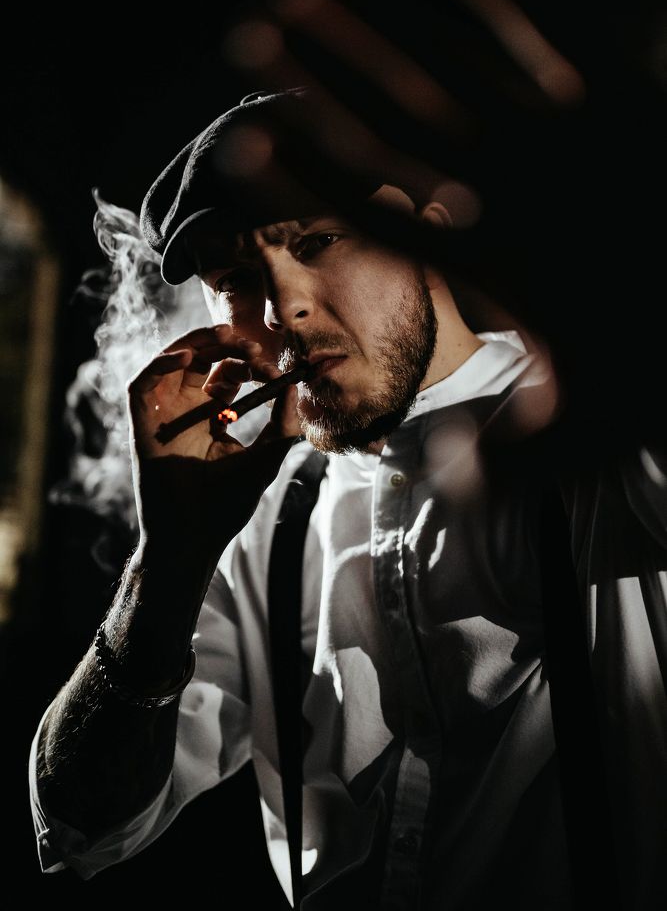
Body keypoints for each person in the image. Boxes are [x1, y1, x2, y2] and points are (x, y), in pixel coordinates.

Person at [29, 89, 667, 909]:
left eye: (319, 240)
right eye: (235, 278)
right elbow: (82, 827)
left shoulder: (603, 441)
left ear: (430, 226)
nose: (284, 308)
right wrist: (169, 560)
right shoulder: (264, 518)